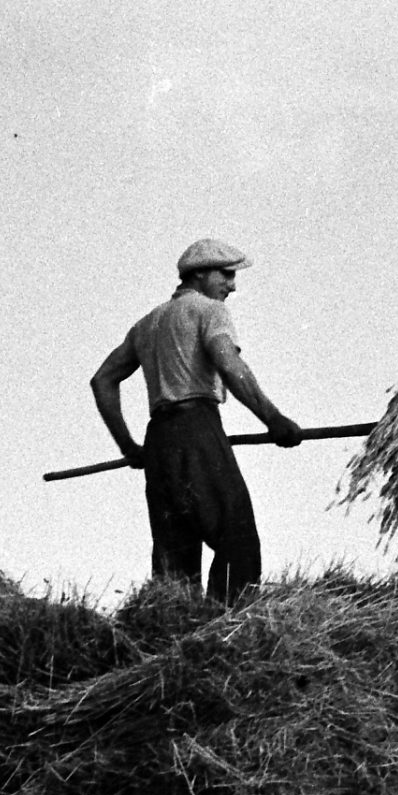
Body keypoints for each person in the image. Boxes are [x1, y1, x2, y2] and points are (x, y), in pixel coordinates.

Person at [89, 239, 304, 603]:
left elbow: (103, 380)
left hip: (158, 442)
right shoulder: (208, 311)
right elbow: (230, 365)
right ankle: (230, 629)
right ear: (200, 274)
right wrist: (274, 418)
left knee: (175, 557)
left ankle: (176, 630)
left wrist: (129, 446)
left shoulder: (147, 323)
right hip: (197, 430)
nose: (232, 286)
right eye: (227, 275)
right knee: (236, 536)